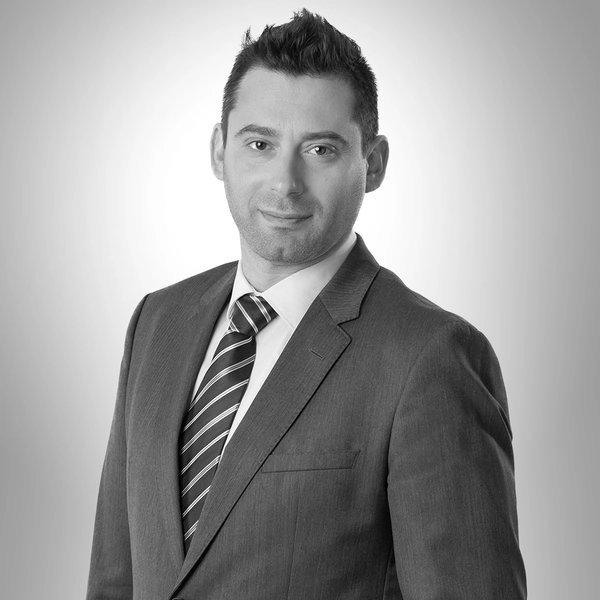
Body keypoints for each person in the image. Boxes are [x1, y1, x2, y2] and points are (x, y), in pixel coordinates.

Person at [87, 9, 527, 600]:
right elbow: (115, 581)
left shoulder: (430, 357)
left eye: (320, 149)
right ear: (219, 151)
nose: (285, 183)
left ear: (373, 164)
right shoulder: (157, 323)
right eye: (260, 144)